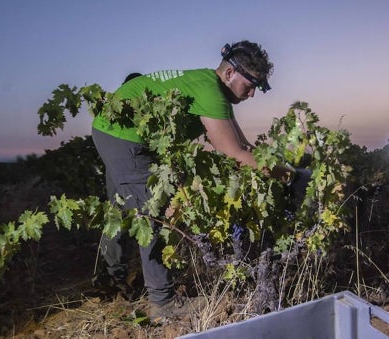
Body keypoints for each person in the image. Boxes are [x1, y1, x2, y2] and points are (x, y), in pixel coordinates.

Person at [91, 40, 290, 320]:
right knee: (152, 214)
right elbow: (234, 153)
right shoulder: (211, 92)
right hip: (124, 138)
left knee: (121, 209)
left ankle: (111, 282)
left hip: (110, 130)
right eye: (251, 85)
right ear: (230, 74)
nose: (253, 93)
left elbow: (243, 145)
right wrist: (287, 176)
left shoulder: (208, 85)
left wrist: (273, 164)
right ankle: (163, 304)